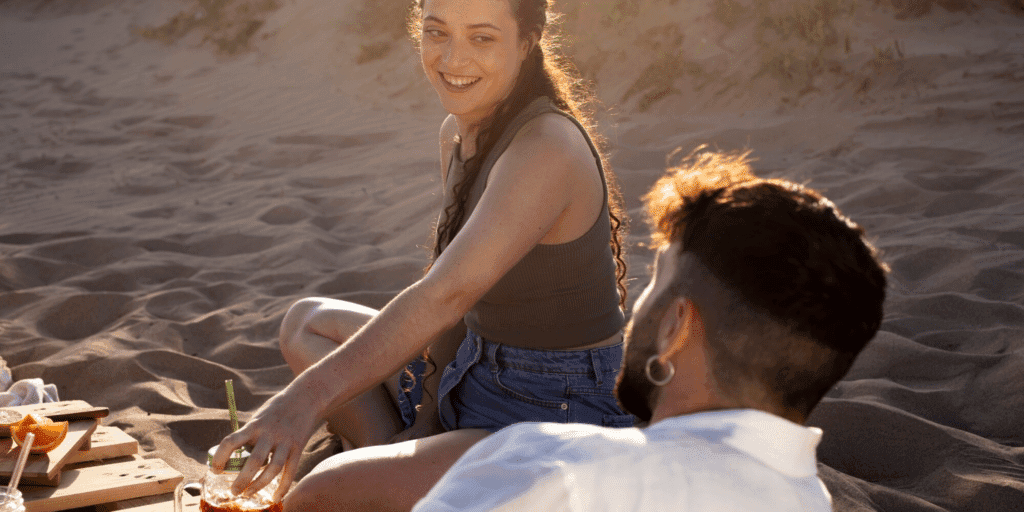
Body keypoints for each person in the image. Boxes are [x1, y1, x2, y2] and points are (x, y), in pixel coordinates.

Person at [211, 0, 635, 509]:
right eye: (437, 32)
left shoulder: (547, 146)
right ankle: (388, 459)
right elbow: (456, 308)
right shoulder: (458, 132)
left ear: (527, 43)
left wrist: (300, 402)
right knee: (307, 323)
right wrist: (427, 417)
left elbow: (444, 296)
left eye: (482, 38)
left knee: (318, 493)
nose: (453, 59)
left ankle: (386, 476)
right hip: (471, 369)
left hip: (549, 409)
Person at [412, 149, 890, 511]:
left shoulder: (552, 467)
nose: (637, 305)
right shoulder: (810, 499)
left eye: (657, 280)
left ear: (675, 326)